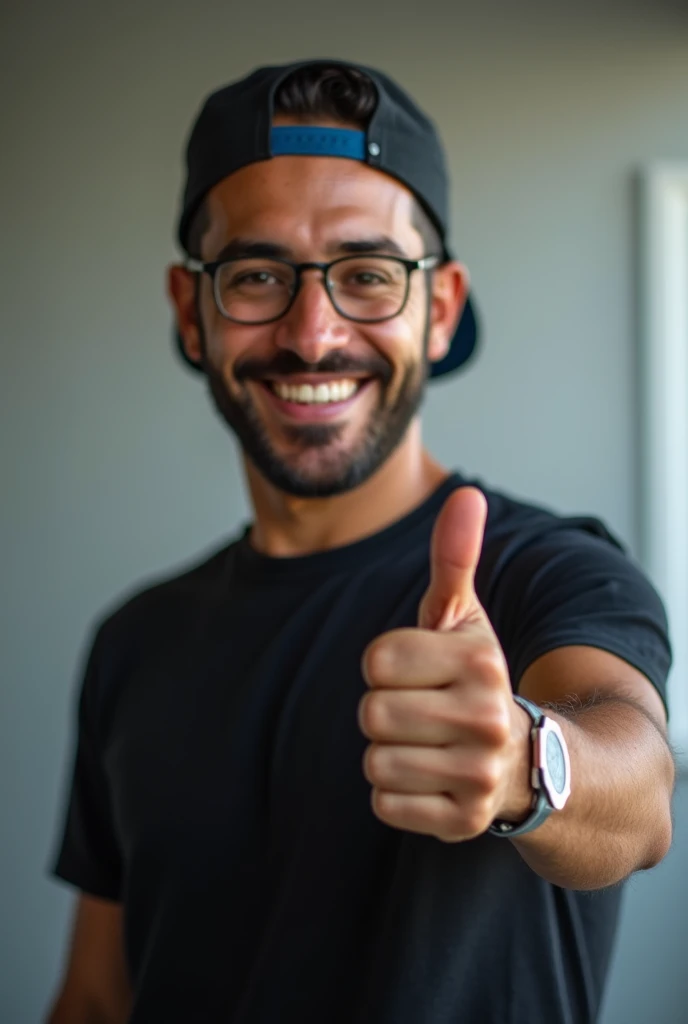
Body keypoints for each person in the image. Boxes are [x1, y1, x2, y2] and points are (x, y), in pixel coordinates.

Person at [47, 59, 674, 1024]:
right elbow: (94, 998)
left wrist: (525, 764)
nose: (312, 332)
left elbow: (636, 798)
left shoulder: (552, 572)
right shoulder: (133, 640)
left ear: (442, 307)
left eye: (368, 276)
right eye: (256, 275)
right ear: (190, 310)